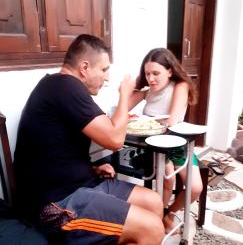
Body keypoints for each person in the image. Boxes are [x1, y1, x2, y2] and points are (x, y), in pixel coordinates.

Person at [13, 34, 164, 245]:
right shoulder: (65, 86)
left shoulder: (62, 88)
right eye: (104, 69)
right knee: (152, 228)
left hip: (81, 184)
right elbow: (114, 139)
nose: (108, 77)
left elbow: (57, 150)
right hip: (56, 205)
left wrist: (91, 168)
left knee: (154, 202)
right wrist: (124, 95)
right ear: (84, 68)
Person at [129, 48, 203, 234]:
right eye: (147, 74)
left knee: (195, 188)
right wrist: (131, 89)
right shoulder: (148, 90)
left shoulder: (180, 86)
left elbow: (171, 121)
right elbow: (124, 108)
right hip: (152, 145)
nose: (151, 79)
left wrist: (143, 120)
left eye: (156, 73)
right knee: (167, 181)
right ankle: (157, 219)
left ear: (170, 71)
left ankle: (169, 214)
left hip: (176, 143)